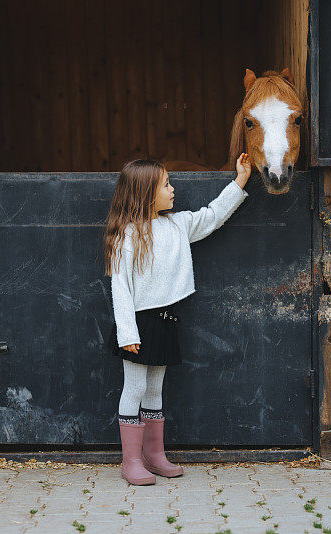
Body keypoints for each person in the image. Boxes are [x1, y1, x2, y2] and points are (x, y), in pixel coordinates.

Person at [103, 154, 252, 485]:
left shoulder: (177, 224)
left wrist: (240, 180)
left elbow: (212, 217)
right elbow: (121, 289)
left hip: (166, 319)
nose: (173, 189)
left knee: (155, 389)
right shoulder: (125, 235)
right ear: (145, 193)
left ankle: (154, 455)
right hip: (138, 325)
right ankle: (131, 461)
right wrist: (126, 332)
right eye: (166, 184)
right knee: (136, 387)